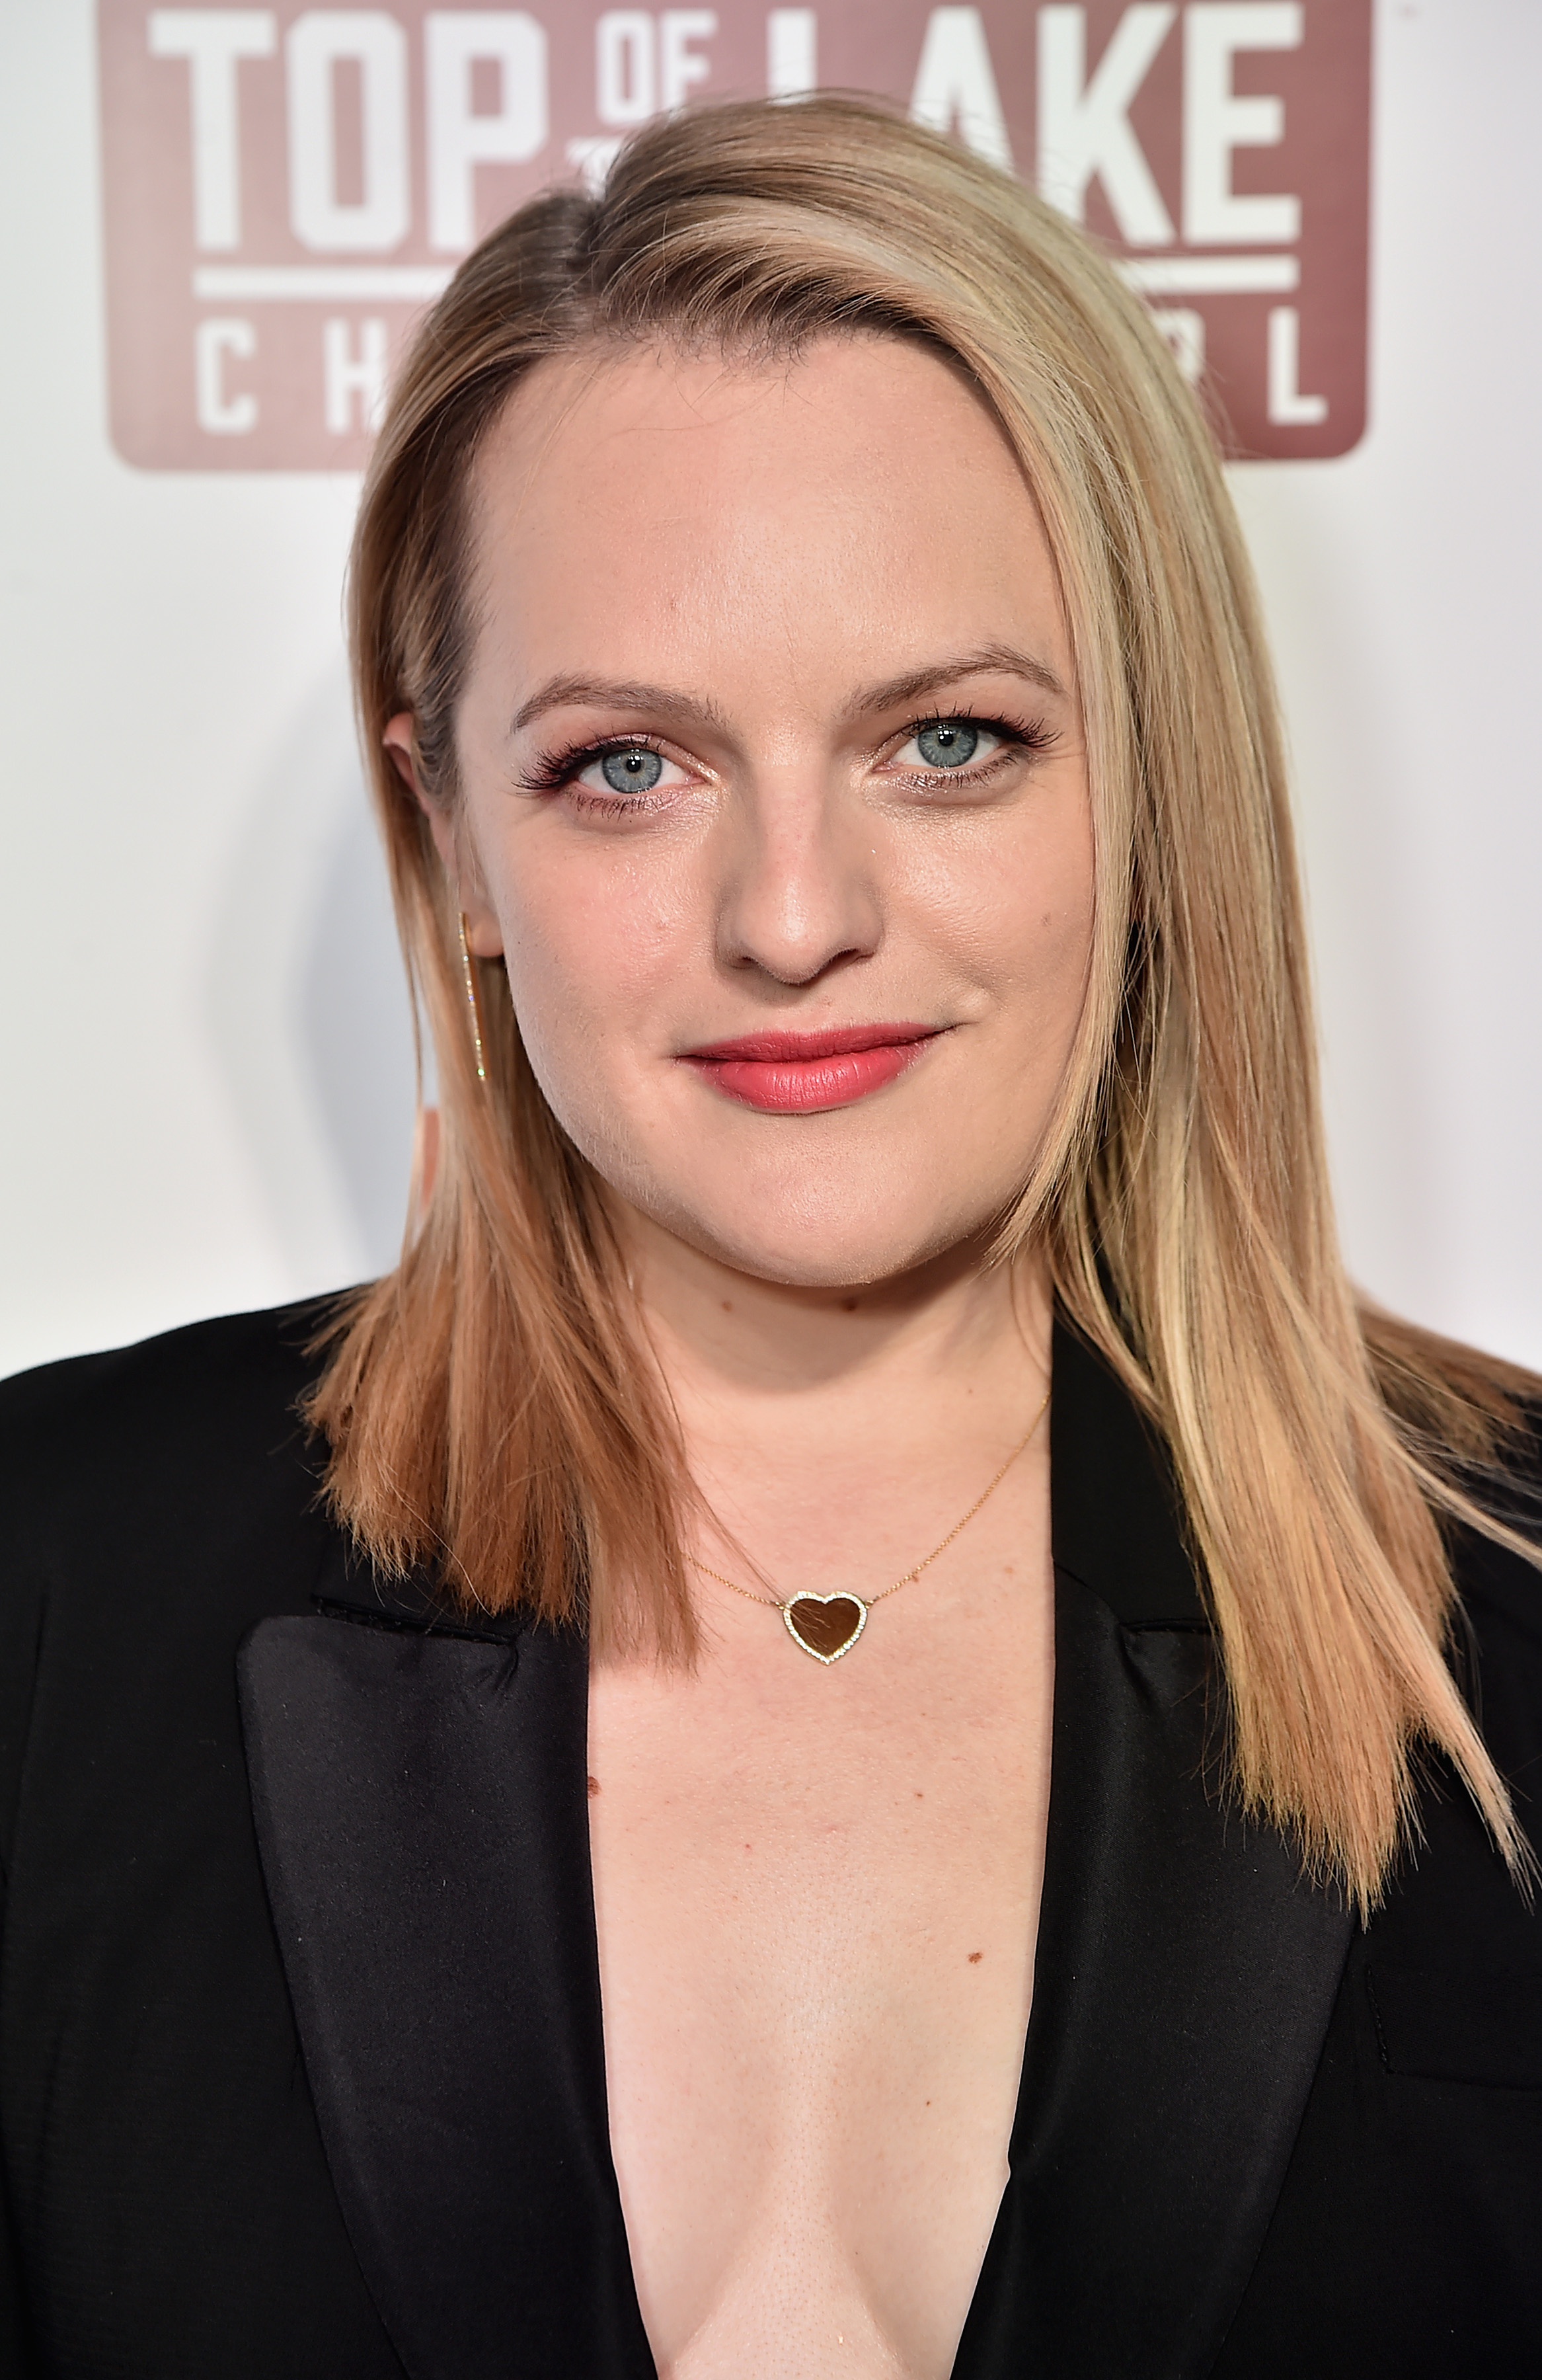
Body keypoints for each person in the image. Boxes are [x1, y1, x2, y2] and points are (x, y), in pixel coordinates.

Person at [2, 93, 1539, 2380]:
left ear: (1156, 777)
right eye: (627, 765)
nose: (793, 918)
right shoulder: (46, 1589)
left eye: (951, 741)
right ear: (454, 840)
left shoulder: (1516, 1586)